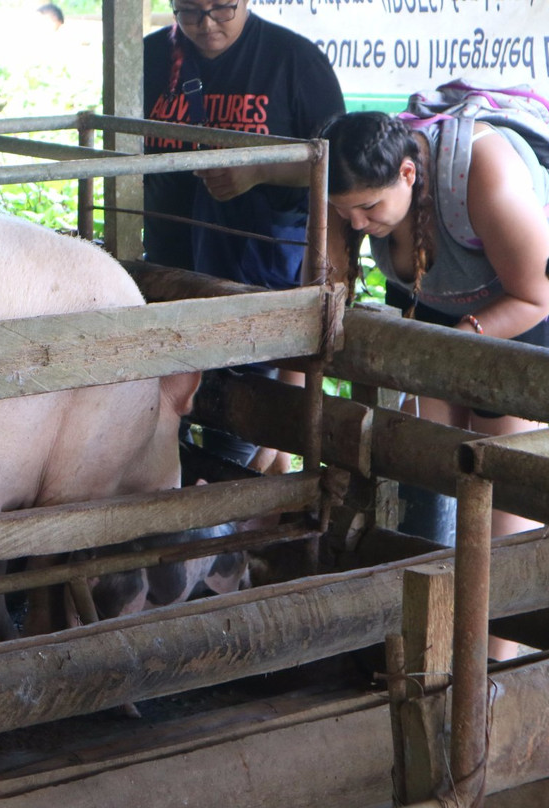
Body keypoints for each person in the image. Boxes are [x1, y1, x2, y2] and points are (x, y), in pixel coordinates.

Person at [324, 109, 549, 660]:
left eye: (369, 209)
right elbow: (327, 288)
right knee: (429, 468)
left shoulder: (482, 173)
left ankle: (495, 666)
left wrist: (450, 350)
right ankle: (426, 652)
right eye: (344, 212)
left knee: (501, 487)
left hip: (518, 315)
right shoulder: (346, 191)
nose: (356, 224)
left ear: (408, 173)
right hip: (436, 311)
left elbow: (536, 295)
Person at [143, 0, 345, 472]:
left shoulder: (293, 60)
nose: (206, 23)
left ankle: (231, 493)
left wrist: (258, 170)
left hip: (256, 268)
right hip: (169, 265)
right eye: (189, 11)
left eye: (220, 8)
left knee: (239, 414)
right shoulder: (150, 57)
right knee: (168, 409)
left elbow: (336, 163)